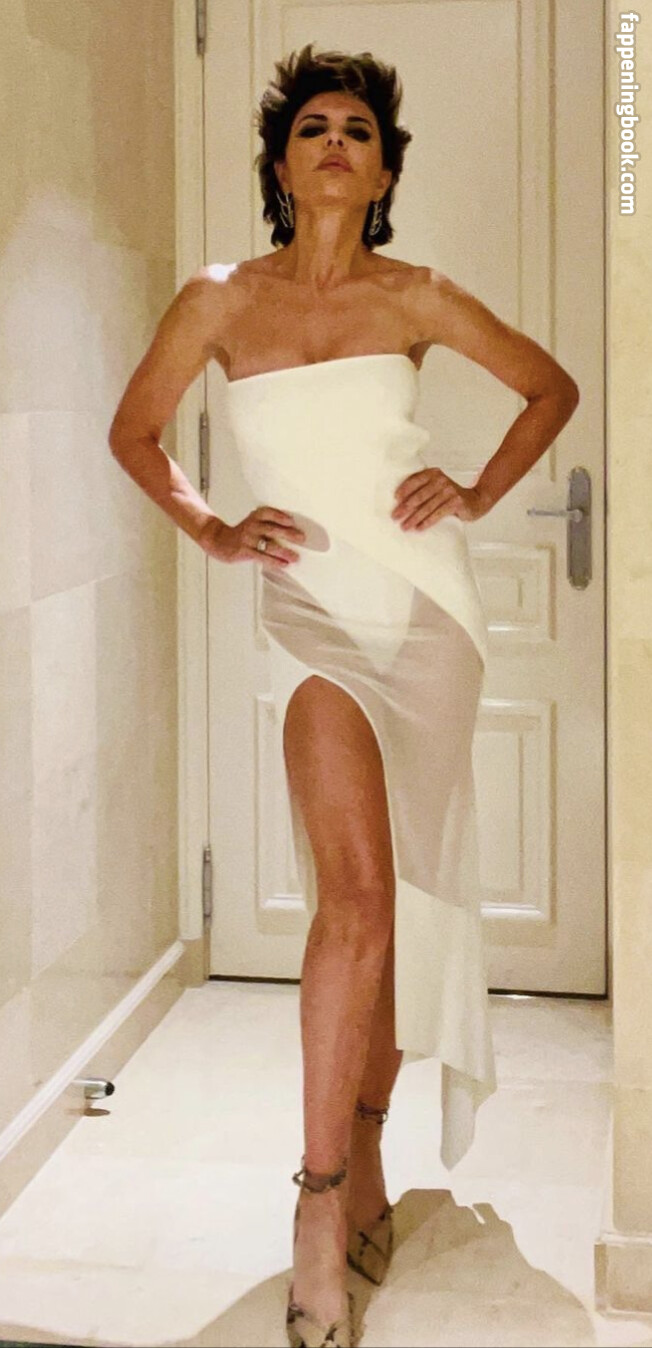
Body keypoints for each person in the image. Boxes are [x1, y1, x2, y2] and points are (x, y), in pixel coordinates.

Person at [109, 43, 580, 1348]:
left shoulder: (415, 295)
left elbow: (551, 388)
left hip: (427, 617)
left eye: (357, 131)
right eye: (313, 125)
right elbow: (135, 432)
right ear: (280, 162)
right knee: (355, 896)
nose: (334, 142)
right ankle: (318, 1204)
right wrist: (212, 529)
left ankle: (367, 1148)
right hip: (311, 616)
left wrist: (476, 493)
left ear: (381, 175)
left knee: (403, 900)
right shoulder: (219, 301)